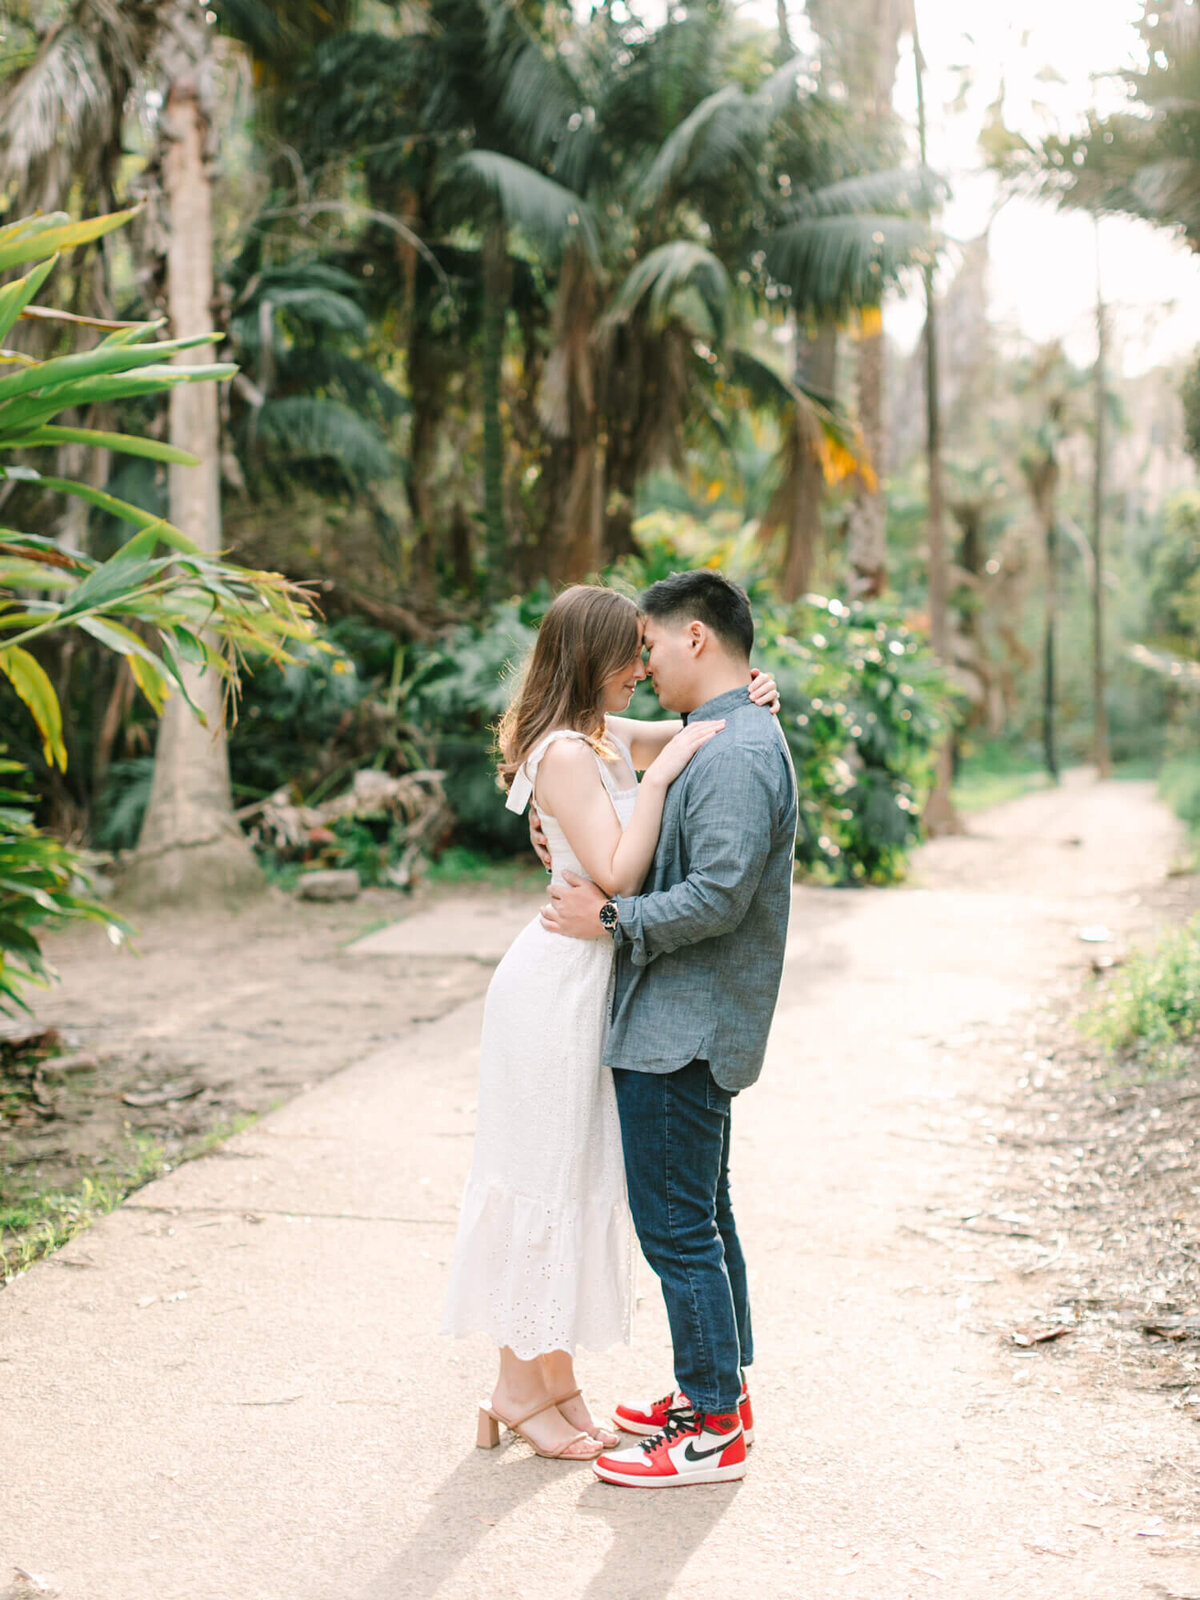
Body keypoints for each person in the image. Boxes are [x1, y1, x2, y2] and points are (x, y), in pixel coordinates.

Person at [441, 583, 781, 1462]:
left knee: (579, 1183)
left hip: (602, 983)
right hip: (560, 983)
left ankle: (555, 1382)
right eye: (632, 650)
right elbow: (624, 877)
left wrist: (751, 691)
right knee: (542, 1179)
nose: (644, 663)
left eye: (650, 647)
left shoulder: (604, 733)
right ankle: (517, 1388)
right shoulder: (564, 752)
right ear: (593, 657)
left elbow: (692, 724)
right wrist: (662, 779)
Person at [540, 569, 798, 1487]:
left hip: (681, 1026)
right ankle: (716, 1394)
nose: (642, 664)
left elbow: (720, 895)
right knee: (703, 1219)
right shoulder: (722, 732)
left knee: (680, 1231)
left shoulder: (730, 751)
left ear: (696, 637)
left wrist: (611, 920)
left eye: (649, 645)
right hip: (683, 1018)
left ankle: (713, 1431)